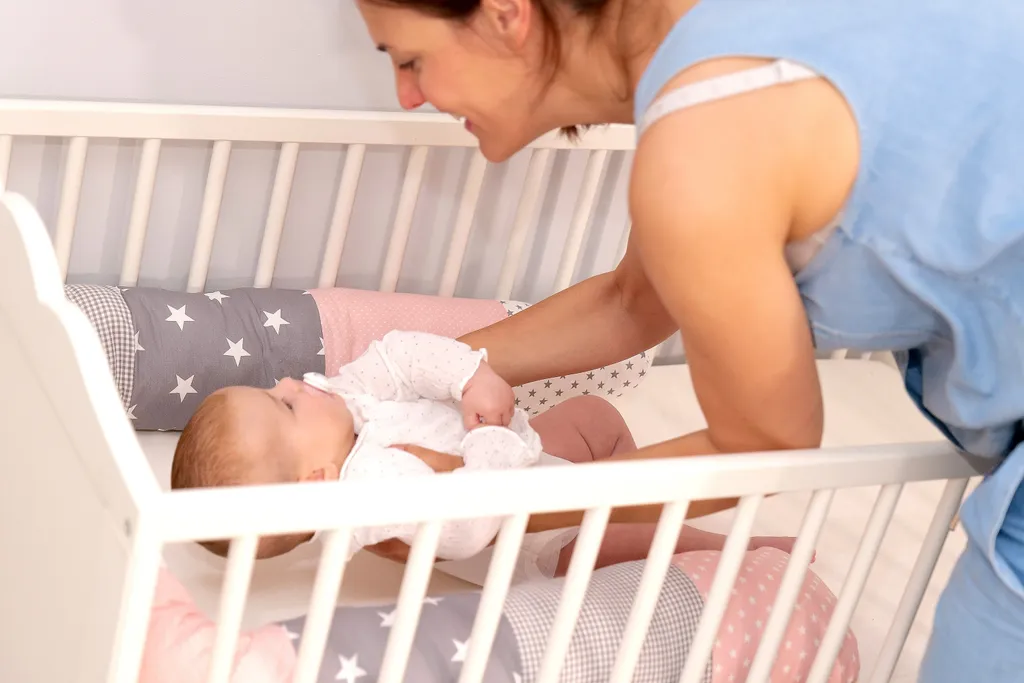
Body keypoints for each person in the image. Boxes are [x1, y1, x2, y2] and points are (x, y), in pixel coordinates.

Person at [352, 0, 1024, 680]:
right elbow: (629, 304)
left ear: (505, 12)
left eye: (411, 61)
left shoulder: (701, 142)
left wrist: (487, 500)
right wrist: (394, 380)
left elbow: (765, 443)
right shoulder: (709, 49)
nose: (408, 97)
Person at [171, 329, 797, 577]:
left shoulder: (345, 401)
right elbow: (471, 526)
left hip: (531, 455)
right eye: (284, 405)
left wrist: (471, 377)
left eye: (271, 388)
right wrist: (490, 439)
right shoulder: (373, 490)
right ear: (317, 480)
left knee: (593, 416)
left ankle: (632, 498)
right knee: (624, 533)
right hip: (538, 535)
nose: (288, 382)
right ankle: (741, 551)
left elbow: (397, 356)